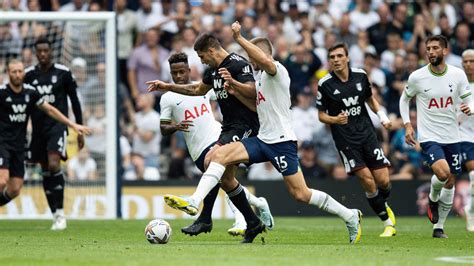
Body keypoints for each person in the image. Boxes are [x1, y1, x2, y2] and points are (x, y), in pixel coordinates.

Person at [159, 22, 362, 244]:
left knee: (301, 194)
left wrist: (239, 39)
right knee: (218, 156)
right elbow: (252, 101)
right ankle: (196, 202)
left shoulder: (278, 72)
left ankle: (349, 215)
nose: (250, 62)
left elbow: (262, 66)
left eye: (253, 58)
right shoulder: (260, 79)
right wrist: (232, 88)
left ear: (263, 55)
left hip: (282, 141)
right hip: (262, 138)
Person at [146, 32, 262, 237]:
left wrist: (233, 84)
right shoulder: (213, 71)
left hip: (246, 126)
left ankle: (196, 204)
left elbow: (253, 93)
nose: (202, 61)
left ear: (211, 50)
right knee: (226, 180)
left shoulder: (238, 64)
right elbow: (198, 90)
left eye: (201, 57)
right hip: (229, 127)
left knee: (212, 160)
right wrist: (167, 86)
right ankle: (253, 221)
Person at [316, 42, 396, 238]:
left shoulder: (361, 75)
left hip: (368, 135)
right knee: (368, 181)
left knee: (383, 181)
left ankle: (381, 203)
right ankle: (387, 224)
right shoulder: (325, 84)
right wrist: (335, 119)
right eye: (332, 57)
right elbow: (320, 115)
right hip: (346, 141)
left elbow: (370, 99)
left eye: (339, 56)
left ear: (347, 57)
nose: (336, 60)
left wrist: (383, 116)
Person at [400, 35, 474, 238]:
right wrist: (408, 125)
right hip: (429, 136)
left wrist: (470, 109)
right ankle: (433, 197)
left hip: (453, 136)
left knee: (450, 181)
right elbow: (404, 100)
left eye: (435, 48)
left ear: (445, 51)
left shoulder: (458, 75)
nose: (430, 52)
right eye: (428, 48)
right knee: (442, 173)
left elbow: (470, 98)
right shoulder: (417, 76)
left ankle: (438, 227)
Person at [0, 60, 90, 209]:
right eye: (14, 72)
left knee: (15, 189)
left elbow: (50, 110)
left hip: (19, 146)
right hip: (2, 143)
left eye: (20, 71)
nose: (17, 75)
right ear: (8, 73)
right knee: (2, 181)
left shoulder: (30, 93)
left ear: (23, 73)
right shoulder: (2, 93)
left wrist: (72, 124)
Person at [24, 37, 85, 230]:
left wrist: (79, 128)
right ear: (36, 53)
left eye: (45, 51)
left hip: (57, 128)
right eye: (39, 51)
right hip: (38, 129)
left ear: (51, 52)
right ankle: (56, 215)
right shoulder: (28, 75)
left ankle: (60, 212)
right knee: (45, 171)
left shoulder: (63, 73)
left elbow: (74, 101)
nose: (42, 54)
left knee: (53, 164)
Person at [460, 49, 474, 232]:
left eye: (472, 61)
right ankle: (470, 211)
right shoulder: (458, 83)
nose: (469, 65)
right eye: (466, 62)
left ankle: (470, 208)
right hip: (462, 135)